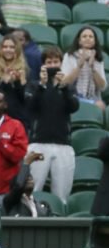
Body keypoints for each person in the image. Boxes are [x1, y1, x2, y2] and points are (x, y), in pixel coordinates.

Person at [27, 46, 78, 202]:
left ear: (61, 64)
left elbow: (74, 107)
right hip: (38, 144)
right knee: (32, 190)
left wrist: (63, 88)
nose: (52, 65)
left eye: (56, 62)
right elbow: (30, 106)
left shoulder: (67, 86)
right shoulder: (36, 85)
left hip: (63, 144)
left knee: (61, 195)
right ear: (43, 65)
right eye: (49, 62)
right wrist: (42, 86)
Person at [0, 34, 30, 129]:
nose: (8, 50)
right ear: (0, 49)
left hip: (19, 120)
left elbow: (27, 99)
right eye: (5, 47)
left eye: (12, 47)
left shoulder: (26, 71)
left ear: (17, 50)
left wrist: (18, 82)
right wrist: (3, 82)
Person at [60, 27, 107, 111]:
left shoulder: (98, 59)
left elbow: (102, 87)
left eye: (91, 36)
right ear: (79, 40)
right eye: (84, 36)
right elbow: (64, 82)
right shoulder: (69, 56)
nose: (88, 38)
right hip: (73, 96)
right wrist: (79, 66)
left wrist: (93, 68)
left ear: (95, 41)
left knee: (101, 105)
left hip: (93, 98)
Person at [2, 151, 51, 216]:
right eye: (26, 177)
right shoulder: (10, 202)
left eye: (30, 176)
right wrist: (26, 163)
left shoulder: (43, 207)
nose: (29, 177)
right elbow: (19, 186)